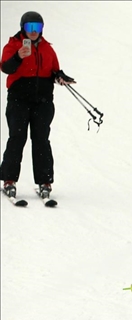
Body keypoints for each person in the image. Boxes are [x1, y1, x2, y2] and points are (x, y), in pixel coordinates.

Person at [0, 11, 75, 200]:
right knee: (17, 138)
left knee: (41, 139)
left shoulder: (47, 48)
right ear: (22, 28)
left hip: (43, 102)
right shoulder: (14, 45)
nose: (33, 32)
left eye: (37, 27)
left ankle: (45, 181)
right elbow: (6, 68)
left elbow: (54, 69)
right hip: (19, 100)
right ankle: (9, 180)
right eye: (29, 27)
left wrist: (60, 77)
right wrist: (18, 56)